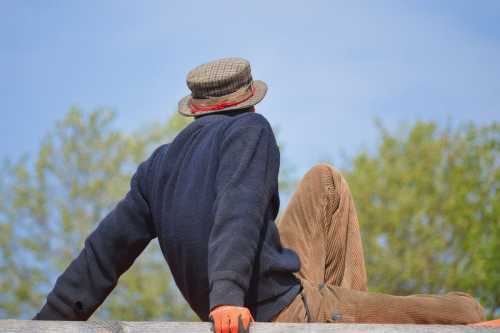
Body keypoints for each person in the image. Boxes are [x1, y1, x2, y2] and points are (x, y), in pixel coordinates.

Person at [34, 58, 488, 332]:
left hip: (275, 286)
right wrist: (226, 299)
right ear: (248, 99)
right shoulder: (251, 130)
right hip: (278, 309)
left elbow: (100, 256)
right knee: (465, 309)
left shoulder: (158, 166)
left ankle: (340, 307)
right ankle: (343, 318)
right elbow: (239, 210)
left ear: (194, 109)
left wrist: (46, 326)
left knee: (324, 180)